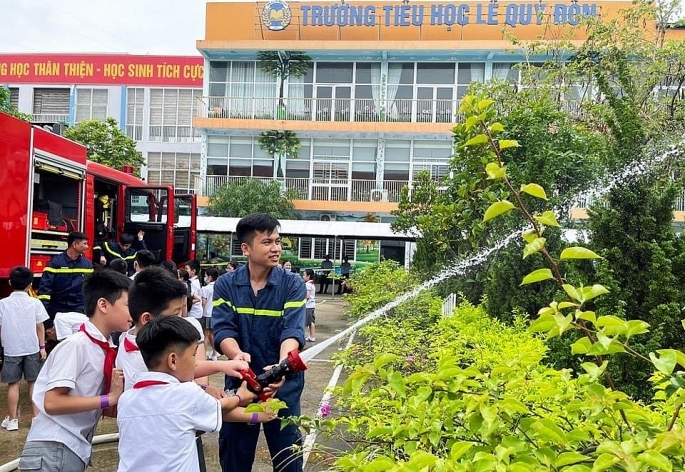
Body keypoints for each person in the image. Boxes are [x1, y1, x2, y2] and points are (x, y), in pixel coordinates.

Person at [116, 316, 274, 472]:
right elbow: (220, 408)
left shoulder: (126, 399)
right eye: (193, 355)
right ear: (173, 360)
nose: (196, 363)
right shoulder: (186, 393)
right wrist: (241, 397)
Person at [213, 213, 307, 472]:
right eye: (267, 242)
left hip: (284, 389)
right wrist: (238, 356)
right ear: (246, 248)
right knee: (235, 459)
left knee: (288, 458)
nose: (276, 248)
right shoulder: (226, 285)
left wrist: (282, 367)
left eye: (278, 241)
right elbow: (223, 330)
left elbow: (292, 331)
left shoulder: (292, 284)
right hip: (240, 387)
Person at [19, 270, 132, 471]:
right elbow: (52, 401)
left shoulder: (102, 348)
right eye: (128, 305)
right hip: (54, 448)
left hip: (68, 448)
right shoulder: (76, 345)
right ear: (103, 305)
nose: (133, 312)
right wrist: (109, 398)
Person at [0, 266, 48, 431]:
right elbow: (40, 327)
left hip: (11, 349)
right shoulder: (35, 303)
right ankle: (36, 418)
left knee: (13, 384)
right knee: (33, 383)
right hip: (31, 347)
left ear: (10, 282)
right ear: (30, 284)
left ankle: (13, 420)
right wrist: (42, 347)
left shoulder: (2, 304)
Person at [37, 231, 93, 344]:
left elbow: (91, 288)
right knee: (58, 342)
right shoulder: (55, 263)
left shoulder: (87, 265)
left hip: (78, 308)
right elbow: (45, 289)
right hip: (58, 309)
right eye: (85, 243)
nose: (87, 247)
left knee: (79, 340)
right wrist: (45, 316)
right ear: (75, 244)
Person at [201, 268, 219, 361]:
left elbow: (203, 303)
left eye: (206, 276)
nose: (205, 277)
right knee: (211, 334)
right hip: (215, 313)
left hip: (207, 313)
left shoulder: (205, 288)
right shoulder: (218, 286)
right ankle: (215, 354)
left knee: (206, 335)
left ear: (210, 277)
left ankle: (203, 354)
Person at [303, 269, 317, 343]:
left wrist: (303, 302)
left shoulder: (307, 284)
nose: (303, 276)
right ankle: (312, 336)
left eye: (304, 275)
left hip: (308, 306)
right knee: (311, 322)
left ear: (308, 276)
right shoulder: (311, 283)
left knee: (305, 322)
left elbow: (307, 296)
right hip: (311, 306)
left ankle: (306, 336)